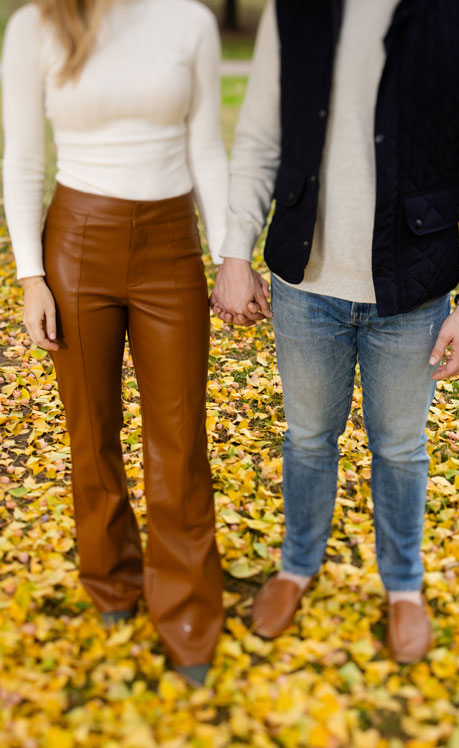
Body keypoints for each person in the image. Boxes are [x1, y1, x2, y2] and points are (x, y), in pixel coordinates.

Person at [209, 0, 459, 663]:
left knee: (400, 449)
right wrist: (233, 253)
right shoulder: (297, 10)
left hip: (413, 291)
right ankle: (296, 568)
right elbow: (258, 138)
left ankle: (402, 588)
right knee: (308, 439)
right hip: (305, 287)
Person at [2, 0, 231, 686]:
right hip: (75, 243)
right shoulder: (37, 26)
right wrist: (30, 278)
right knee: (91, 429)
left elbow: (206, 145)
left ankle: (187, 613)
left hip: (170, 248)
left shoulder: (190, 21)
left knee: (179, 436)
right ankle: (110, 582)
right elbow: (20, 158)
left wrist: (229, 256)